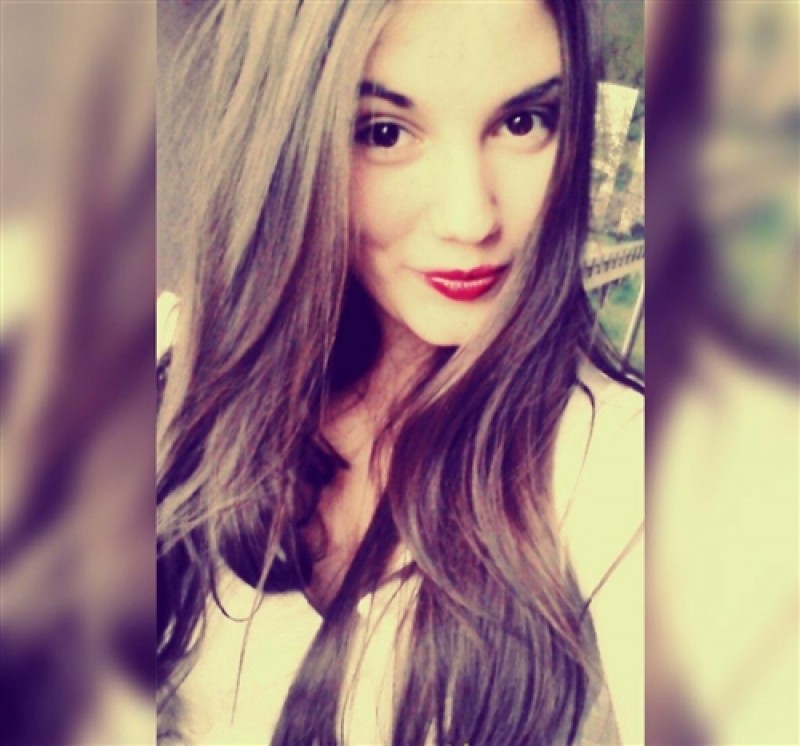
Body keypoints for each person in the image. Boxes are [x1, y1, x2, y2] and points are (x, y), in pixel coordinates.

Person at [156, 1, 644, 744]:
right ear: (286, 146)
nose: (470, 219)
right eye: (384, 132)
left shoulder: (620, 466)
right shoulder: (173, 374)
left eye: (523, 123)